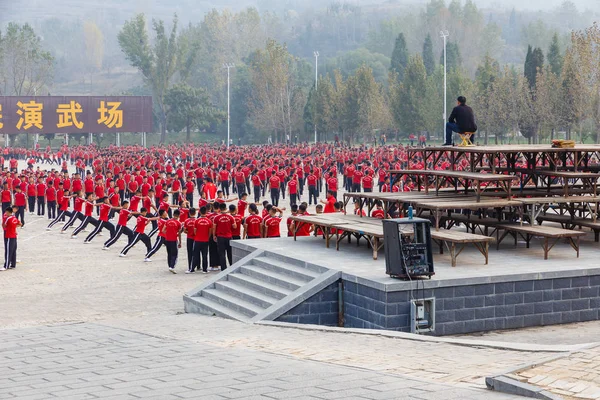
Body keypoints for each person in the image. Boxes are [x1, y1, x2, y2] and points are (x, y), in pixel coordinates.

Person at [213, 202, 236, 271]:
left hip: (220, 237)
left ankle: (223, 268)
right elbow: (234, 226)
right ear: (226, 208)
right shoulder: (230, 217)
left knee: (222, 253)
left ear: (219, 209)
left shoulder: (216, 217)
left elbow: (214, 227)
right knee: (230, 253)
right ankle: (232, 267)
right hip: (229, 237)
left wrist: (214, 235)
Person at [191, 206, 212, 273]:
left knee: (195, 255)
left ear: (199, 212)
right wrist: (207, 237)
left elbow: (195, 231)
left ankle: (192, 269)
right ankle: (204, 269)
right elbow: (210, 232)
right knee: (204, 255)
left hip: (197, 240)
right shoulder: (209, 221)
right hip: (205, 240)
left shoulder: (197, 221)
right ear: (206, 212)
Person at [162, 209, 182, 273]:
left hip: (167, 239)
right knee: (175, 254)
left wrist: (167, 234)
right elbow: (179, 234)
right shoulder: (178, 223)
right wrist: (180, 242)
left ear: (173, 214)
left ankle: (169, 265)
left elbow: (163, 230)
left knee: (169, 253)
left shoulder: (167, 221)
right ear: (179, 215)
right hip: (174, 240)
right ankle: (172, 266)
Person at [2, 205, 21, 270]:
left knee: (9, 250)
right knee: (12, 249)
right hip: (13, 234)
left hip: (9, 235)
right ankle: (12, 263)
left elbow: (4, 225)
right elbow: (20, 224)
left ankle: (6, 265)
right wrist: (13, 228)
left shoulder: (9, 218)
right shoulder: (13, 217)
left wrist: (11, 228)